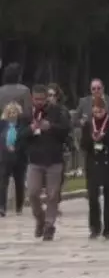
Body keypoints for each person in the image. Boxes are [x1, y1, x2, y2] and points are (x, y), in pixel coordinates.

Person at [21, 84, 70, 241]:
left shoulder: (57, 111)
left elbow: (66, 130)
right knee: (33, 193)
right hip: (35, 160)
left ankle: (49, 225)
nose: (40, 102)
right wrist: (30, 129)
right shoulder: (27, 114)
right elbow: (19, 136)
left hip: (54, 159)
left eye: (43, 99)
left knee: (52, 194)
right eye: (37, 99)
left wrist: (52, 127)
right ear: (32, 98)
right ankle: (40, 219)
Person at [81, 94, 109, 239]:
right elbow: (83, 144)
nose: (98, 114)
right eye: (95, 111)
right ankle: (94, 226)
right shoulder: (88, 124)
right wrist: (91, 139)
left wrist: (104, 138)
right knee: (92, 196)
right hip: (93, 163)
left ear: (105, 110)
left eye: (100, 111)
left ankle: (108, 228)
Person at [0, 101, 25, 217]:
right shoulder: (2, 124)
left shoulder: (21, 125)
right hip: (5, 157)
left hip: (19, 157)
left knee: (19, 182)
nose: (12, 114)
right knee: (3, 182)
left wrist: (16, 147)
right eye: (10, 112)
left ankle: (19, 206)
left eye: (14, 112)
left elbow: (25, 139)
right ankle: (2, 207)